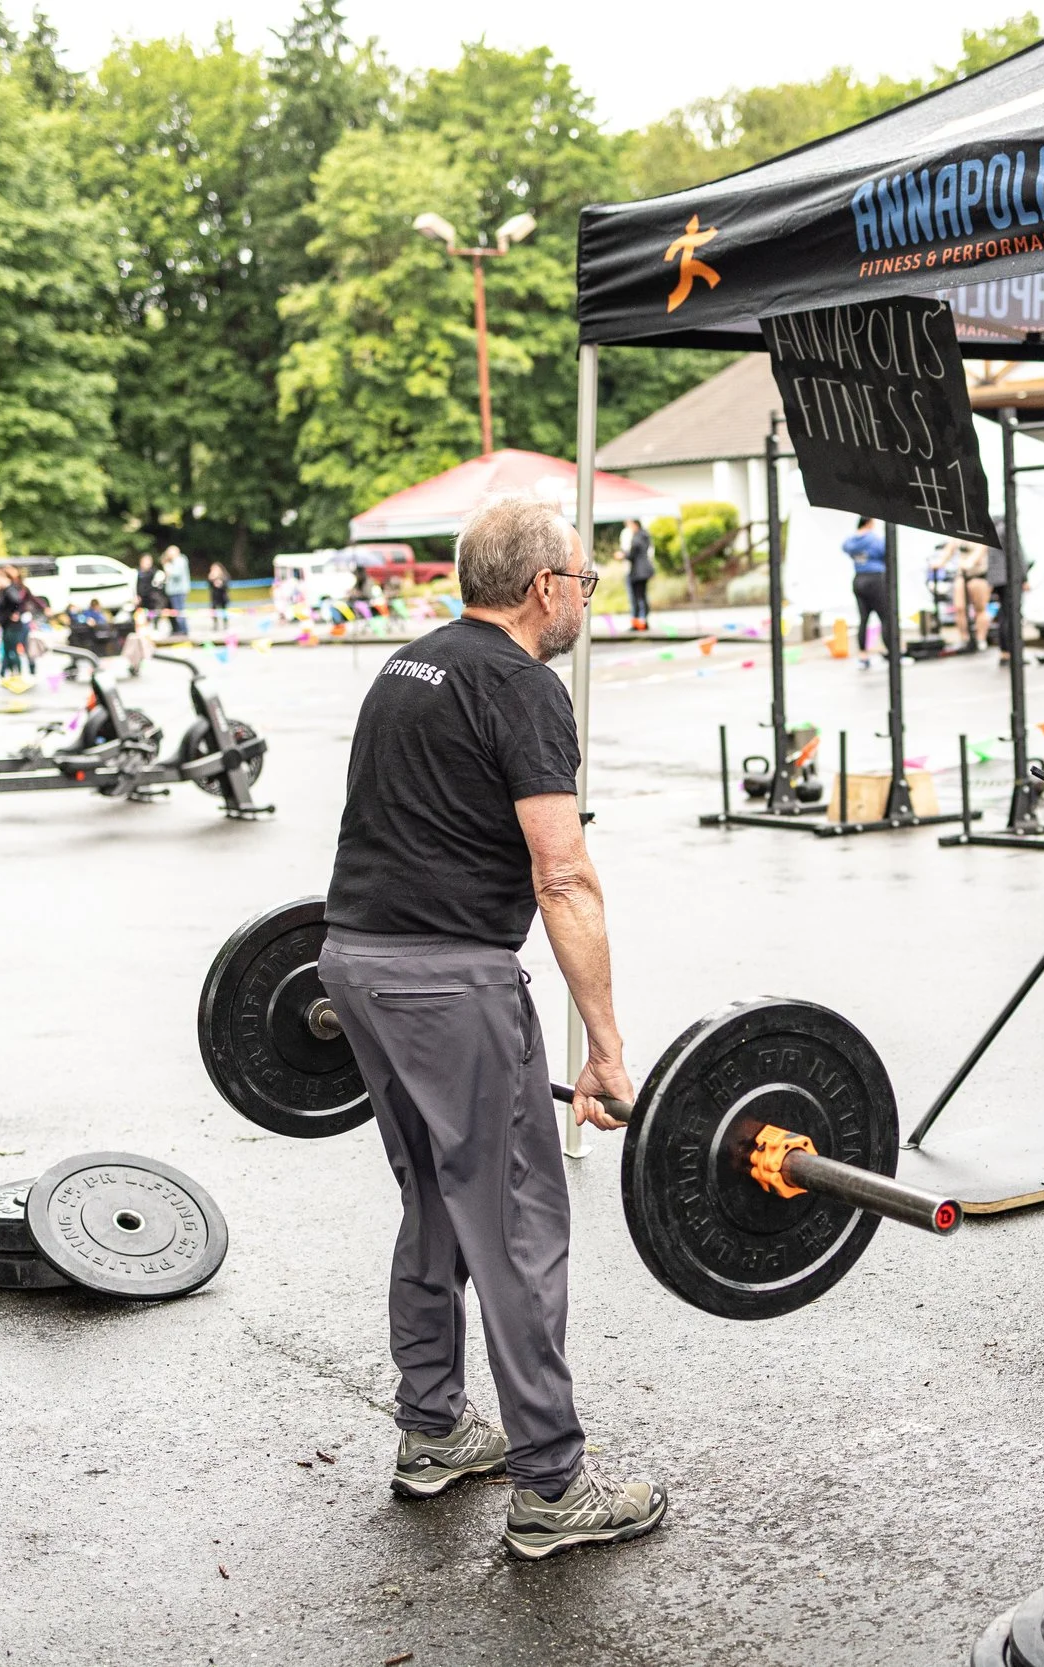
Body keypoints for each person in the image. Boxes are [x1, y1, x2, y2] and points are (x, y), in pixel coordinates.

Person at [320, 494, 663, 1562]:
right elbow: (561, 872)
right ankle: (551, 1482)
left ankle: (432, 1430)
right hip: (448, 983)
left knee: (433, 1198)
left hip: (351, 963)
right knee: (516, 1222)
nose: (585, 600)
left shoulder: (407, 664)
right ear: (542, 587)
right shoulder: (522, 685)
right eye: (583, 582)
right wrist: (604, 1047)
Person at [841, 515, 887, 667]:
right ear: (870, 522)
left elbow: (845, 548)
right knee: (886, 618)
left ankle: (862, 655)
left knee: (863, 619)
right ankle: (892, 652)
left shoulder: (851, 541)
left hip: (858, 579)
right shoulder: (873, 539)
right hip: (875, 579)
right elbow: (885, 552)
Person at [0, 567, 35, 677]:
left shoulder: (10, 589)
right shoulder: (3, 590)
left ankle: (18, 673)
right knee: (7, 650)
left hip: (13, 625)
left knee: (13, 650)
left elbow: (17, 600)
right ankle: (11, 673)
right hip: (6, 624)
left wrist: (16, 612)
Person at [952, 541, 992, 652]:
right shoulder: (957, 534)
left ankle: (981, 639)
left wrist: (970, 562)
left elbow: (981, 550)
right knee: (959, 607)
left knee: (980, 609)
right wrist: (939, 563)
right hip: (962, 575)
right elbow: (949, 548)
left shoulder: (981, 534)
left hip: (979, 575)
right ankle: (964, 639)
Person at [620, 517, 655, 632]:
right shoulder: (645, 535)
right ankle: (643, 621)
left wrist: (623, 555)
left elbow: (632, 554)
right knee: (642, 596)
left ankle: (639, 622)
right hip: (644, 570)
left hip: (637, 572)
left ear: (635, 525)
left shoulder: (637, 537)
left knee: (637, 598)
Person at [162, 544, 191, 639]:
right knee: (175, 611)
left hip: (178, 591)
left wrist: (167, 567)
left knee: (179, 611)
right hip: (174, 591)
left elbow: (176, 574)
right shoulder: (176, 561)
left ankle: (183, 630)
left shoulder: (179, 561)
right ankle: (178, 629)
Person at [134, 552, 164, 637]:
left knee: (153, 613)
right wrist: (136, 595)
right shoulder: (137, 572)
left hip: (152, 599)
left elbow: (158, 586)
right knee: (140, 616)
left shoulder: (155, 572)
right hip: (141, 599)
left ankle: (153, 627)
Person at [206, 561, 231, 634]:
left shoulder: (224, 576)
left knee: (224, 611)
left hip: (223, 597)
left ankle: (225, 624)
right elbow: (209, 586)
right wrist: (211, 579)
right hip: (214, 597)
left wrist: (221, 584)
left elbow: (227, 587)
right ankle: (215, 624)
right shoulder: (211, 576)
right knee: (214, 612)